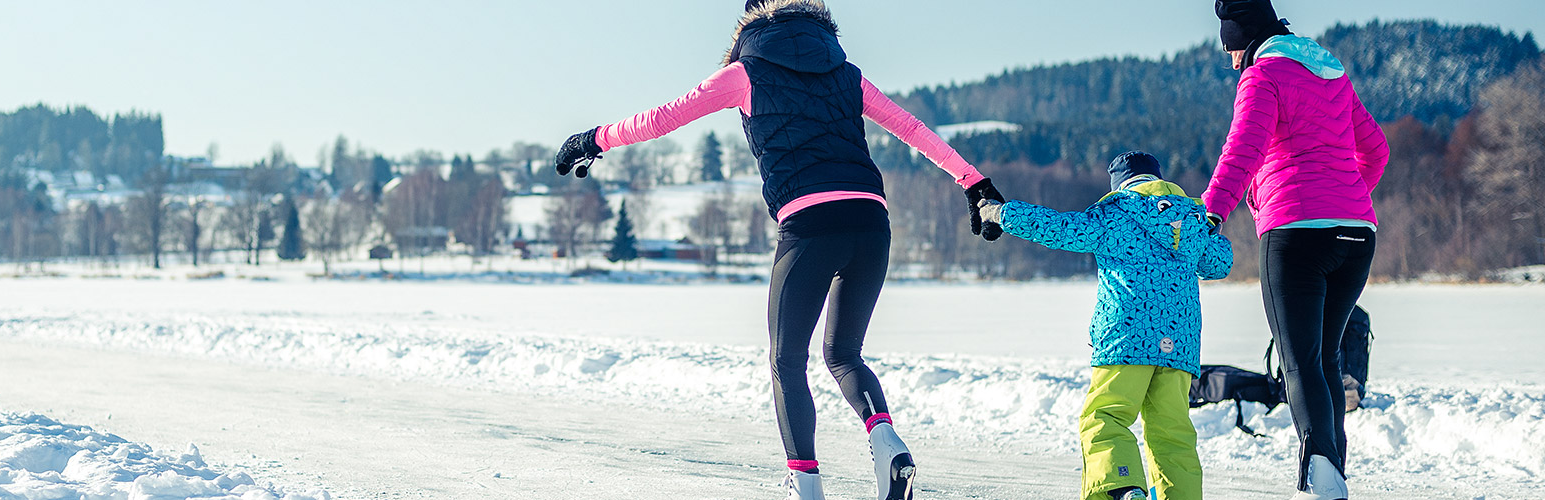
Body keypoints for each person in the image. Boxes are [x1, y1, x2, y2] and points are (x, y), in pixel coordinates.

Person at [549, 1, 1004, 498]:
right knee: (844, 354)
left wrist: (594, 138)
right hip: (872, 223)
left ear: (750, 20)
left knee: (787, 359)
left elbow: (663, 119)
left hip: (809, 224)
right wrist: (973, 181)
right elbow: (911, 128)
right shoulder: (846, 72)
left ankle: (805, 483)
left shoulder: (743, 72)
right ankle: (887, 441)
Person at [1204, 1, 1388, 499]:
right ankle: (1333, 480)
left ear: (1243, 40)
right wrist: (1346, 198)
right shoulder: (1330, 72)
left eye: (1231, 51)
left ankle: (1322, 486)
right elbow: (1376, 150)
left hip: (1296, 232)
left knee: (1300, 362)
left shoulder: (1263, 77)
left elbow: (1242, 149)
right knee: (1324, 359)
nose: (1232, 63)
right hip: (1356, 236)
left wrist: (1212, 214)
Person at [979, 153, 1234, 500]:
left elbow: (1059, 228)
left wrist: (1002, 213)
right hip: (1179, 346)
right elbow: (1220, 263)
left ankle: (1121, 486)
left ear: (1119, 184)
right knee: (1172, 434)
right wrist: (1211, 232)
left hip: (1126, 339)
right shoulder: (1191, 221)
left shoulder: (1116, 214)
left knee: (1106, 417)